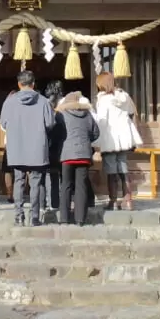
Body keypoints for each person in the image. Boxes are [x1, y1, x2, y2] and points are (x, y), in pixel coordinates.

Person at [0, 70, 56, 226]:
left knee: (19, 181)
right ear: (33, 84)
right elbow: (50, 123)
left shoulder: (9, 102)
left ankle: (19, 215)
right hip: (37, 147)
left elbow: (3, 124)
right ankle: (35, 216)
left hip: (17, 147)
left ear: (19, 84)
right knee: (36, 183)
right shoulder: (44, 102)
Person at [94, 71, 142, 211]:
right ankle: (128, 201)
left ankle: (113, 201)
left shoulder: (103, 100)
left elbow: (102, 122)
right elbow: (132, 113)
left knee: (111, 171)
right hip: (124, 138)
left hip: (110, 138)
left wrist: (97, 143)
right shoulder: (124, 97)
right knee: (123, 169)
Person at [55, 91, 100, 226]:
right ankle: (80, 219)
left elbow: (56, 132)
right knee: (81, 186)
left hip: (67, 154)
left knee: (66, 186)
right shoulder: (87, 115)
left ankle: (64, 218)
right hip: (84, 154)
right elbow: (96, 133)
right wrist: (86, 140)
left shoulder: (61, 115)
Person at [43, 80, 66, 212]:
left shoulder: (48, 108)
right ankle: (56, 203)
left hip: (51, 146)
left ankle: (51, 203)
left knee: (50, 177)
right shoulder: (62, 110)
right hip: (59, 147)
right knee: (57, 177)